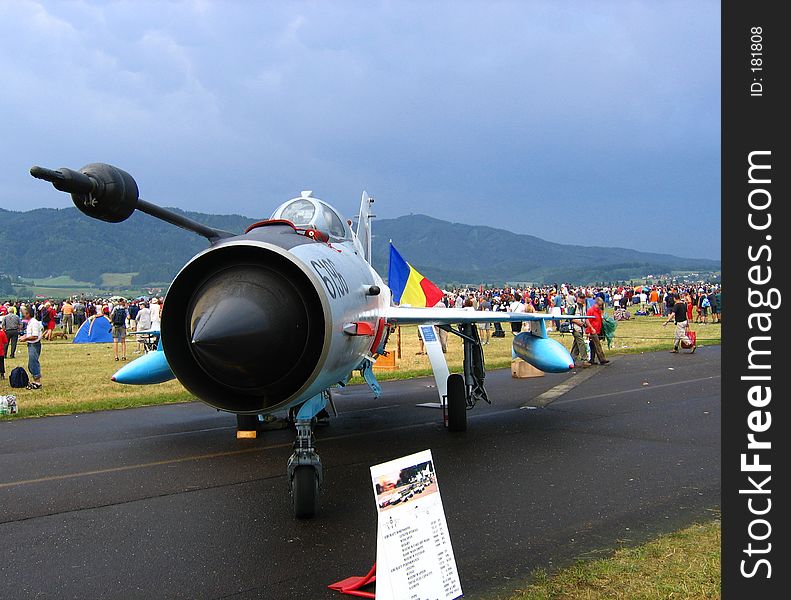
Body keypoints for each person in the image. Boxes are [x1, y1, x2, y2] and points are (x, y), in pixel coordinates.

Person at [18, 306, 43, 388]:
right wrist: (25, 336)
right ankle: (34, 380)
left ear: (28, 314)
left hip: (34, 345)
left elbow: (35, 336)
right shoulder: (30, 322)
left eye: (24, 313)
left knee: (33, 363)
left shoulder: (34, 322)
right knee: (30, 364)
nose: (23, 314)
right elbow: (30, 334)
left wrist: (25, 338)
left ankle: (37, 381)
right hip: (31, 344)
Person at [586, 296, 610, 365]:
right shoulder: (590, 310)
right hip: (593, 331)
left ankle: (592, 359)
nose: (599, 306)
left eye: (601, 305)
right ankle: (602, 359)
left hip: (598, 330)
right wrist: (591, 328)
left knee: (593, 345)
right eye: (599, 305)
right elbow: (587, 320)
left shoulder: (598, 311)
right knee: (597, 345)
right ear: (595, 303)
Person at [570, 292, 591, 367]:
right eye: (580, 298)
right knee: (581, 342)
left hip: (581, 328)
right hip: (575, 328)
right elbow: (569, 318)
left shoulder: (584, 307)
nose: (582, 299)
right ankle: (584, 360)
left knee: (576, 345)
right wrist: (578, 322)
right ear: (577, 298)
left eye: (583, 298)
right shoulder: (573, 306)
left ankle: (571, 359)